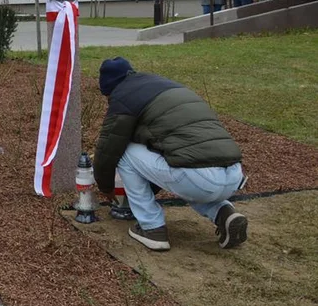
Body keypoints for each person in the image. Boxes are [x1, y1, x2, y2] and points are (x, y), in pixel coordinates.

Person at [93, 57, 248, 252]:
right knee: (185, 165)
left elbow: (108, 150)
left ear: (109, 88)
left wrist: (105, 186)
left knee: (126, 153)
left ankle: (151, 228)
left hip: (200, 178)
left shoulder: (123, 97)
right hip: (233, 175)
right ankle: (223, 213)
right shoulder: (161, 84)